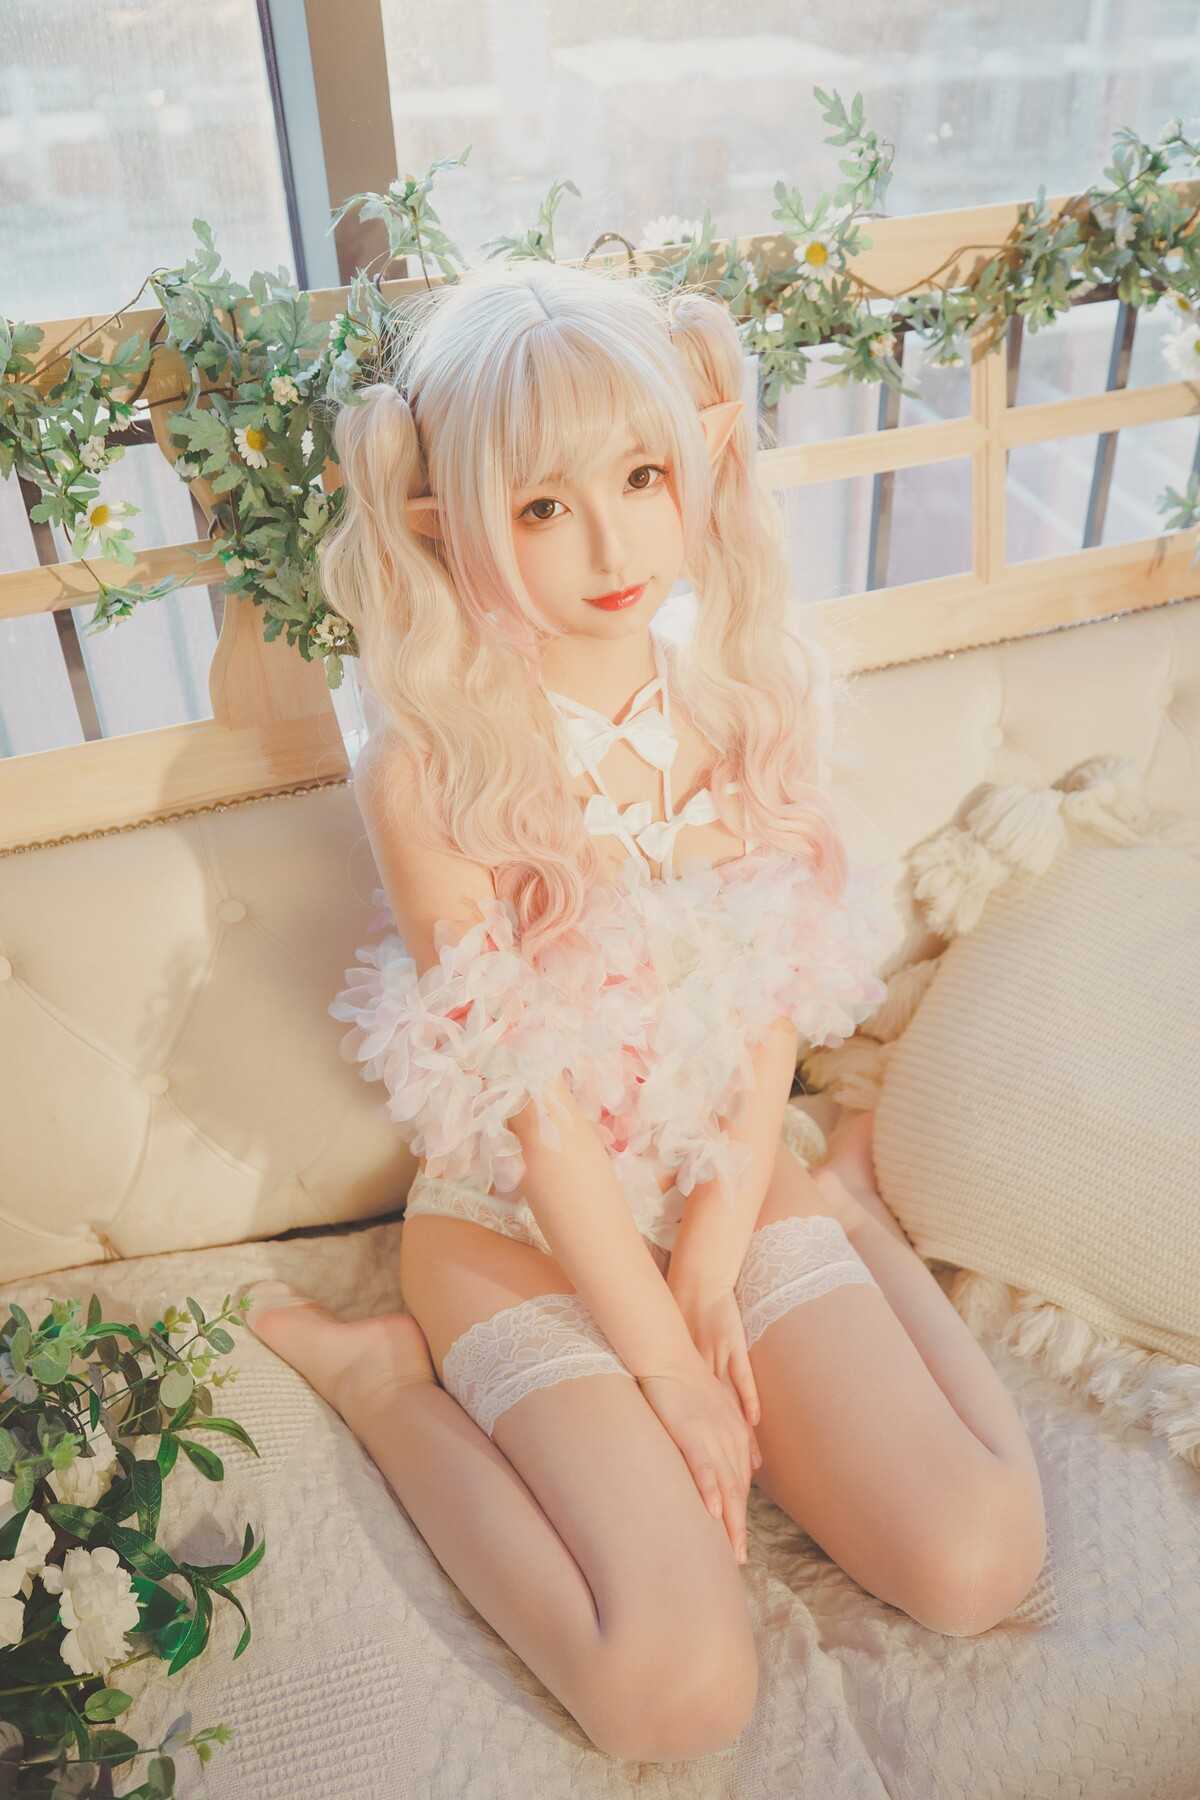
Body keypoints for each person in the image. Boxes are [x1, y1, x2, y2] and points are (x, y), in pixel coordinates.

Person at [241, 259, 1046, 1765]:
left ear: (699, 462)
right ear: (445, 521)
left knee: (979, 1562)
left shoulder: (745, 695)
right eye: (544, 506)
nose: (613, 545)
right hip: (520, 1225)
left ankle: (846, 1209)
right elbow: (534, 1114)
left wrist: (722, 1255)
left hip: (721, 1175)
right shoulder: (429, 768)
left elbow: (769, 1009)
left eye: (641, 476)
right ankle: (387, 1386)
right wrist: (674, 1371)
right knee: (670, 1694)